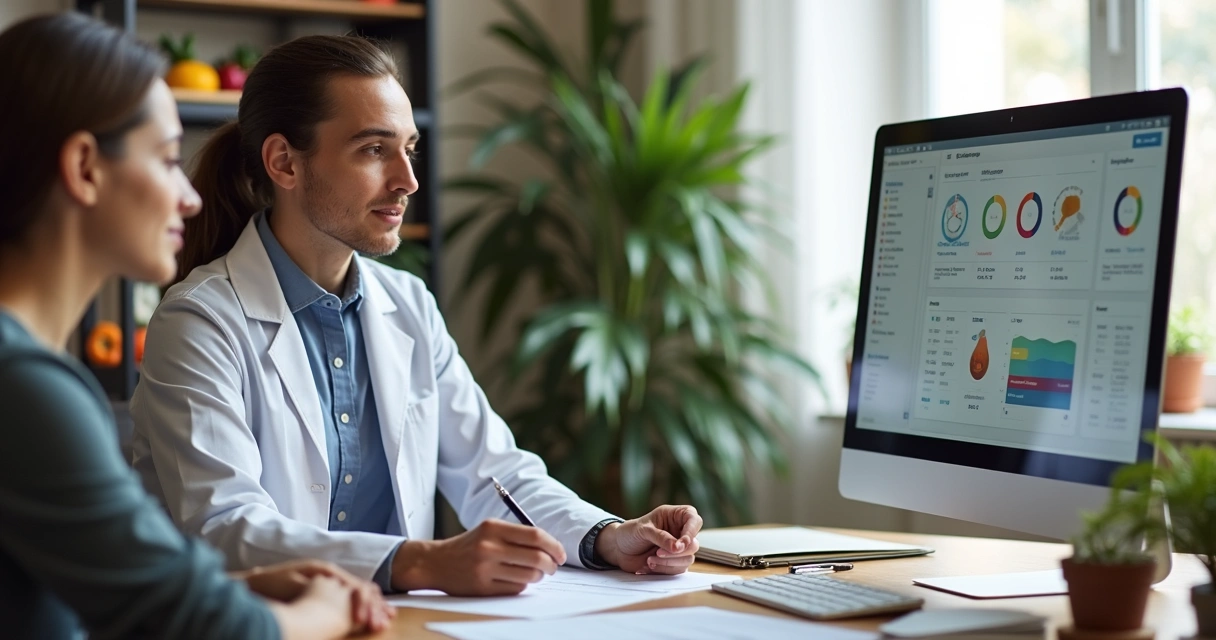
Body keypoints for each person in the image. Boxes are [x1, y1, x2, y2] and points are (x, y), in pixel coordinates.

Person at [130, 33, 705, 596]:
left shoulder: (408, 304)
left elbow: (492, 472)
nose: (407, 181)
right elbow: (226, 526)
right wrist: (422, 562)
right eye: (374, 149)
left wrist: (606, 535)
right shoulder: (200, 321)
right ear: (284, 162)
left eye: (408, 148)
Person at [0, 13, 394, 639]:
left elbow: (88, 591)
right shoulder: (25, 389)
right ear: (84, 168)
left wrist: (234, 587)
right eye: (163, 160)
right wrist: (324, 610)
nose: (188, 196)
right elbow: (194, 624)